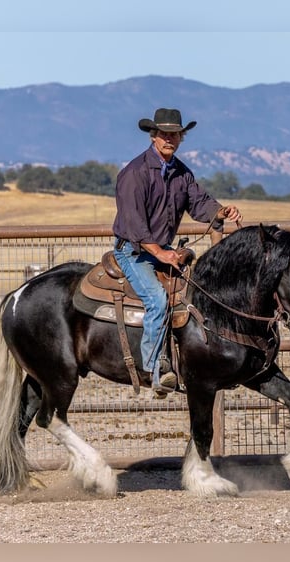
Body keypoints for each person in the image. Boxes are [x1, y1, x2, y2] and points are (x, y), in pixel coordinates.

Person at [112, 108, 242, 397]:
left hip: (161, 250)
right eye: (164, 134)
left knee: (196, 295)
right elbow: (134, 224)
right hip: (133, 251)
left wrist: (220, 211)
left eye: (175, 134)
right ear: (153, 136)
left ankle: (193, 362)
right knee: (157, 300)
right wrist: (161, 253)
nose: (169, 138)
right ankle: (154, 369)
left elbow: (199, 203)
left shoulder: (181, 173)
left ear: (181, 138)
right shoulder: (134, 174)